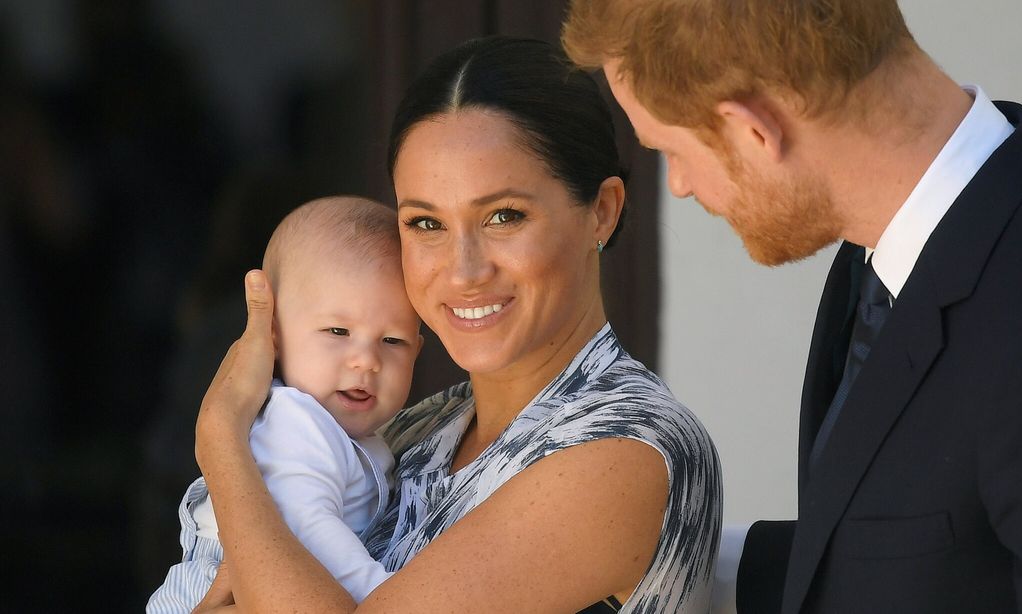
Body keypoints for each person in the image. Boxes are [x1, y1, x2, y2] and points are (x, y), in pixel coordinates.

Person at [191, 37, 722, 613]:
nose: (464, 271)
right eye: (425, 224)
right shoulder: (415, 431)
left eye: (503, 216)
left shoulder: (629, 446)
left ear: (603, 210)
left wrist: (221, 439)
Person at [563, 1, 1022, 612]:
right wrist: (659, 553)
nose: (679, 183)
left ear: (755, 131)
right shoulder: (883, 252)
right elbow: (920, 555)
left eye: (670, 150)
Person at [148, 196, 423, 612]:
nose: (366, 360)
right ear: (273, 335)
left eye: (392, 341)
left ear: (417, 350)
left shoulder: (361, 435)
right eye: (337, 330)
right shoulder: (296, 423)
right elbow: (308, 530)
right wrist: (385, 597)